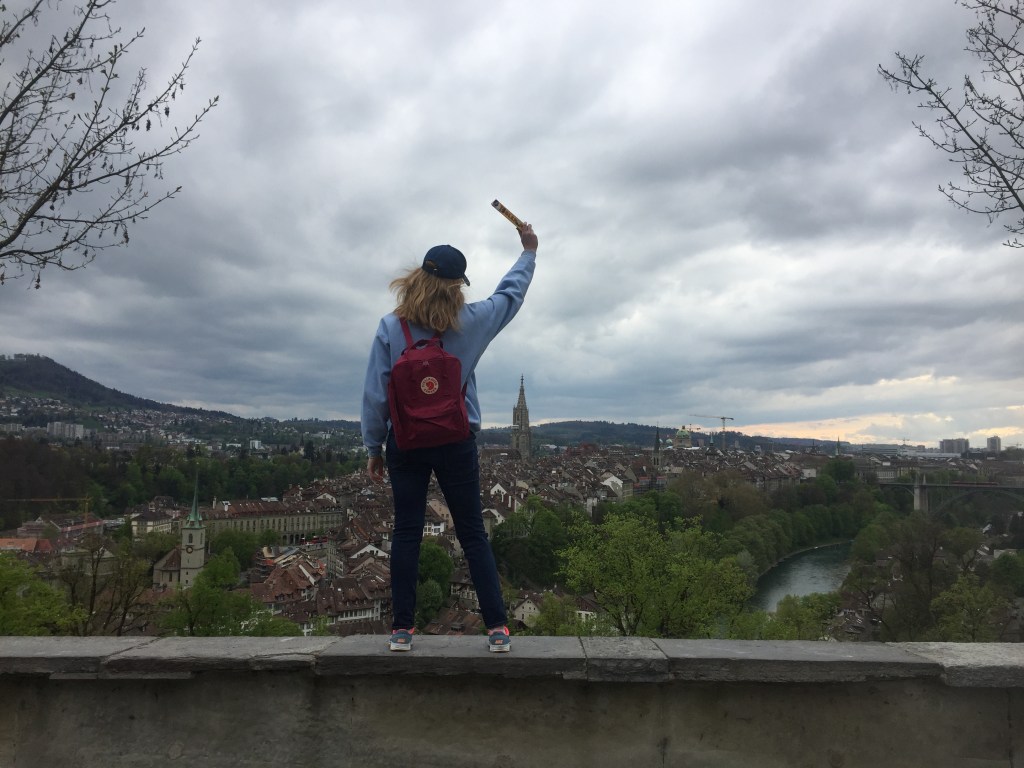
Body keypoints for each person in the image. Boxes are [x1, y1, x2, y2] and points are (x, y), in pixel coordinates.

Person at [361, 223, 539, 653]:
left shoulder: (391, 327)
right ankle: (497, 628)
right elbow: (509, 295)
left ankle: (402, 630)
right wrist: (529, 252)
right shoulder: (471, 323)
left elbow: (375, 391)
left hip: (405, 442)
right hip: (456, 439)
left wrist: (373, 447)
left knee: (406, 533)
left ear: (418, 278)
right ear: (458, 286)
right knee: (473, 532)